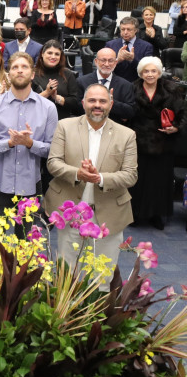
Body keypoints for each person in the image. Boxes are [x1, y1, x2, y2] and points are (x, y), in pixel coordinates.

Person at [45, 84, 138, 284]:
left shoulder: (127, 134)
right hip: (70, 209)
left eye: (102, 101)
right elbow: (53, 163)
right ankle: (66, 312)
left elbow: (131, 175)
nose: (97, 105)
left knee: (103, 275)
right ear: (83, 103)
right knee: (67, 271)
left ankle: (98, 313)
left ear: (111, 104)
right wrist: (77, 173)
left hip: (109, 212)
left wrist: (101, 179)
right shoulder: (65, 126)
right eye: (92, 101)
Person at [0, 52, 58, 227]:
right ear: (9, 74)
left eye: (24, 67)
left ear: (32, 74)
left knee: (25, 245)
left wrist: (29, 144)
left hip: (31, 184)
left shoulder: (48, 108)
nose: (19, 71)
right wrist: (9, 143)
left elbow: (52, 150)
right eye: (15, 67)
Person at [130, 56, 186, 230]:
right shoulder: (132, 88)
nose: (150, 74)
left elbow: (184, 113)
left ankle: (157, 215)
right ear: (140, 73)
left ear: (160, 72)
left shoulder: (172, 89)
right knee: (138, 182)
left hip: (164, 142)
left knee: (160, 182)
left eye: (153, 71)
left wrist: (176, 128)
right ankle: (137, 214)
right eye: (146, 71)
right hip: (138, 141)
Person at [77, 47, 136, 124]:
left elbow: (130, 112)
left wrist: (111, 102)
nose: (107, 64)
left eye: (111, 61)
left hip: (114, 129)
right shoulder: (82, 81)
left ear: (115, 62)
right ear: (96, 61)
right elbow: (76, 108)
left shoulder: (126, 85)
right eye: (103, 60)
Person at [32, 40, 81, 121]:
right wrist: (47, 93)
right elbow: (27, 102)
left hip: (61, 121)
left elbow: (75, 102)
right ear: (42, 54)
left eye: (57, 54)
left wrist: (56, 98)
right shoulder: (32, 74)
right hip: (37, 120)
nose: (53, 57)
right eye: (50, 53)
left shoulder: (68, 74)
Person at [106, 17, 153, 82]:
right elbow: (104, 67)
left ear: (136, 30)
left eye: (129, 29)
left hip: (137, 83)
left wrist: (133, 60)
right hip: (115, 82)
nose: (125, 32)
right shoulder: (110, 45)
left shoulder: (146, 46)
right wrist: (117, 60)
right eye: (123, 29)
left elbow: (147, 69)